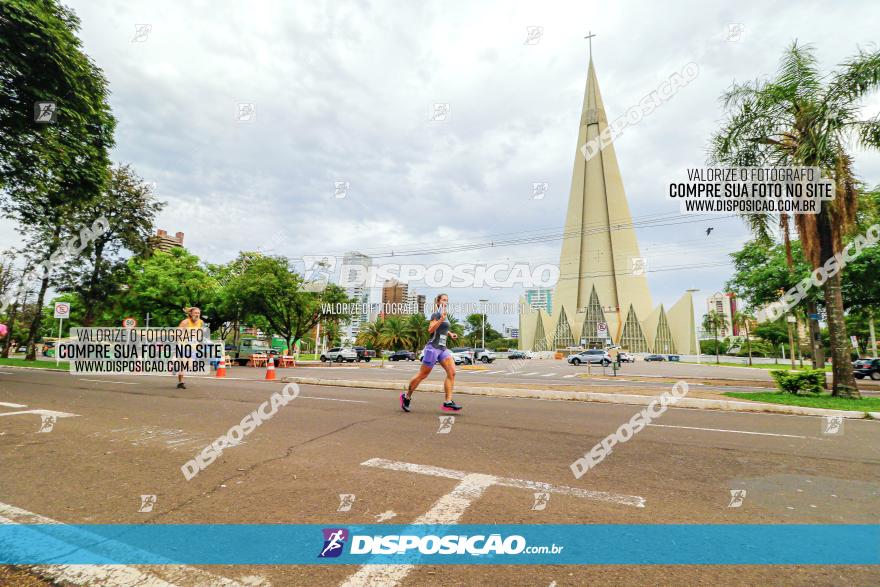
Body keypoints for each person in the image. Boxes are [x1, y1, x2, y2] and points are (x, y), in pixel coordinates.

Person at [401, 293, 462, 412]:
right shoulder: (436, 314)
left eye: (447, 300)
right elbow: (431, 329)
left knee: (452, 372)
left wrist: (450, 334)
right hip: (433, 348)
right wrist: (440, 320)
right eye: (444, 300)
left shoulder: (444, 315)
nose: (446, 302)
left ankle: (447, 402)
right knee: (423, 375)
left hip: (443, 349)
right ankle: (406, 396)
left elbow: (443, 328)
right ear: (438, 302)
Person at [176, 307, 203, 389]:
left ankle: (176, 367)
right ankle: (180, 382)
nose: (197, 315)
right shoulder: (185, 322)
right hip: (184, 346)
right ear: (191, 314)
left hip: (193, 347)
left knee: (189, 365)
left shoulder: (201, 322)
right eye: (195, 313)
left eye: (198, 313)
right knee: (184, 364)